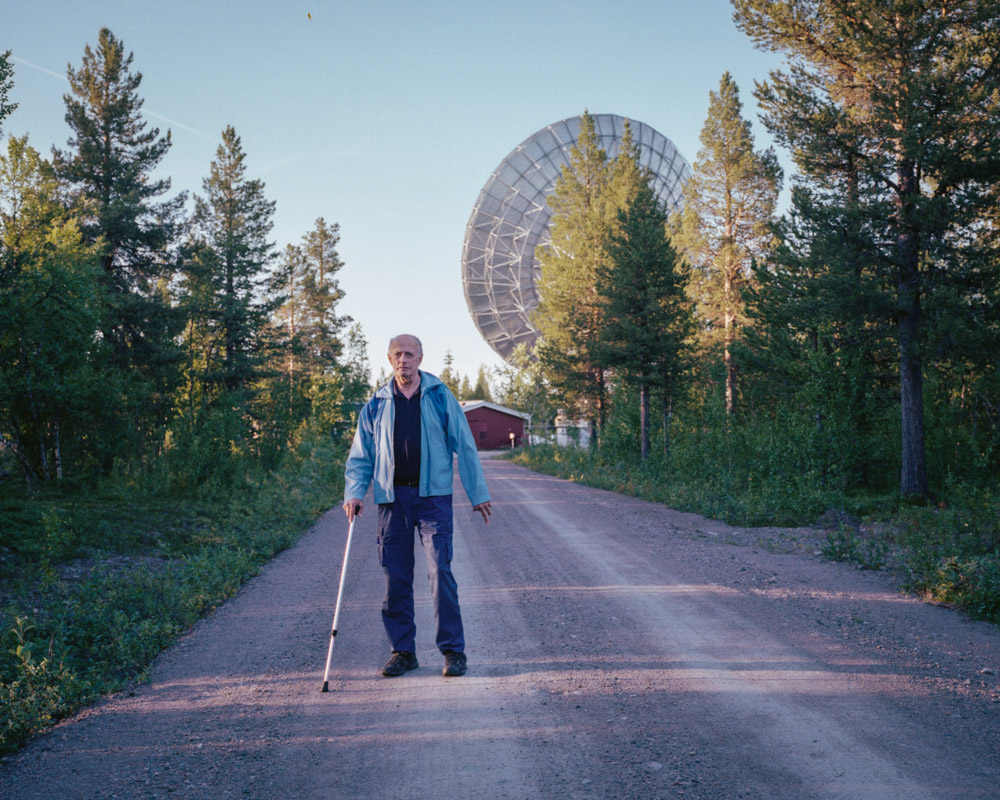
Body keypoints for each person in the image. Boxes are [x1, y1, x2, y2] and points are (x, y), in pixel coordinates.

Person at [343, 334, 492, 678]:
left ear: (420, 358)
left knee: (440, 572)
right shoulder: (377, 404)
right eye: (398, 354)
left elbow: (464, 444)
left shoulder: (439, 396)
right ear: (389, 359)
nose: (403, 360)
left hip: (432, 499)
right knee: (395, 577)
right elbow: (361, 454)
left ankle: (453, 651)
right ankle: (403, 651)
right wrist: (355, 492)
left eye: (409, 354)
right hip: (391, 500)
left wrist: (478, 493)